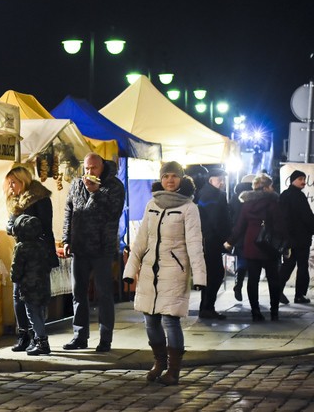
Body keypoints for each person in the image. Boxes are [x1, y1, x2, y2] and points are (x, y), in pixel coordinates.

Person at [123, 162, 206, 386]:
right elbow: (141, 240)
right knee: (150, 320)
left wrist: (199, 277)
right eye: (166, 176)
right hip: (150, 271)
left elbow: (195, 244)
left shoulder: (189, 208)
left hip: (174, 271)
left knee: (170, 320)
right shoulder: (152, 204)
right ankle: (159, 362)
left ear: (181, 178)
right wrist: (130, 270)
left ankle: (174, 369)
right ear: (161, 178)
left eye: (174, 176)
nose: (170, 180)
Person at [62, 153, 126, 352]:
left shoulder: (114, 186)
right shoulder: (76, 184)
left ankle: (105, 339)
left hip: (102, 248)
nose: (89, 172)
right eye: (87, 168)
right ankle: (79, 336)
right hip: (79, 248)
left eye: (93, 168)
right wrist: (66, 239)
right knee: (78, 293)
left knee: (104, 294)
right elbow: (69, 211)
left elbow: (114, 212)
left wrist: (96, 193)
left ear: (102, 167)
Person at [3, 165, 58, 352]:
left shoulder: (39, 199)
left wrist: (51, 256)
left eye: (13, 183)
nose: (11, 187)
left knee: (33, 297)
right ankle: (24, 335)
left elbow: (45, 228)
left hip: (37, 255)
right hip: (21, 253)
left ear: (23, 181)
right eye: (9, 183)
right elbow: (10, 226)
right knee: (17, 296)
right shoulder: (14, 202)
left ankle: (38, 337)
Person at [226, 173, 285, 321]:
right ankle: (274, 311)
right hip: (269, 246)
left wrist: (230, 242)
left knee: (253, 280)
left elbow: (240, 226)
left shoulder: (246, 205)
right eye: (271, 185)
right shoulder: (273, 204)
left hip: (252, 245)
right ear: (265, 187)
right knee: (273, 280)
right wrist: (285, 245)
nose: (273, 188)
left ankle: (256, 312)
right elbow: (280, 226)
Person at [10, 214, 55, 355]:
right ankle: (37, 339)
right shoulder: (42, 244)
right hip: (44, 285)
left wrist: (14, 278)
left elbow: (16, 268)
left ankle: (42, 341)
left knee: (32, 314)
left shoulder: (21, 247)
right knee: (40, 313)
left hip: (29, 287)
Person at [196, 167, 230, 319]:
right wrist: (226, 238)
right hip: (211, 241)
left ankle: (207, 307)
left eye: (223, 179)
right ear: (211, 180)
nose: (222, 182)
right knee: (215, 274)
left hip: (209, 240)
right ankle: (207, 308)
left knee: (213, 274)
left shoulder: (207, 193)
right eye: (219, 179)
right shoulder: (213, 195)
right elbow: (217, 220)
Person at [278, 170, 314, 305]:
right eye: (300, 179)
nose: (303, 182)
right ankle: (299, 295)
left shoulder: (285, 195)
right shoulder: (298, 196)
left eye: (304, 179)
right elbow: (307, 217)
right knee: (301, 267)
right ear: (293, 180)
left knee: (288, 265)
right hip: (301, 238)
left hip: (289, 239)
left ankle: (277, 290)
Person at [229, 175, 255, 301]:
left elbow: (230, 216)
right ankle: (252, 297)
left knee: (242, 262)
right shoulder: (254, 197)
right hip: (253, 234)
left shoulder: (234, 197)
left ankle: (238, 284)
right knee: (254, 265)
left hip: (239, 235)